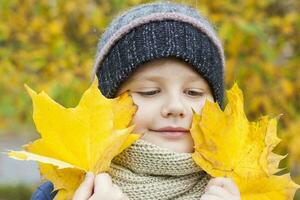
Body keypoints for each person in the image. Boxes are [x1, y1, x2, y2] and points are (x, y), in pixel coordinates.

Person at [32, 1, 241, 199]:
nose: (176, 107)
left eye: (193, 92)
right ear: (107, 105)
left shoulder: (247, 187)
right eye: (150, 91)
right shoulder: (65, 190)